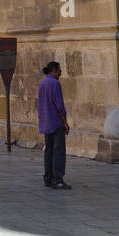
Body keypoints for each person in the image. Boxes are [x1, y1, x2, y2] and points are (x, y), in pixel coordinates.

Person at [38, 61, 71, 190]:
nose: (60, 73)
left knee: (49, 150)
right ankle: (57, 179)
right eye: (59, 70)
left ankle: (48, 178)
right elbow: (59, 106)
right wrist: (65, 122)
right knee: (58, 151)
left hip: (46, 122)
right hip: (56, 122)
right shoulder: (55, 83)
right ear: (54, 70)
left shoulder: (43, 83)